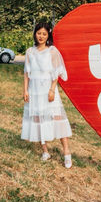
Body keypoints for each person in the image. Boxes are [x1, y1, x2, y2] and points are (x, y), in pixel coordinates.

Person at [22, 20, 72, 167]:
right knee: (37, 119)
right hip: (34, 90)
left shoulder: (52, 51)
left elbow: (56, 72)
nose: (41, 36)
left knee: (57, 118)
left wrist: (52, 90)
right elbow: (26, 73)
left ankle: (67, 152)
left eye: (44, 34)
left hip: (48, 90)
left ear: (48, 35)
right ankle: (45, 150)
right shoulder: (29, 52)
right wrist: (25, 90)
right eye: (39, 33)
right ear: (35, 34)